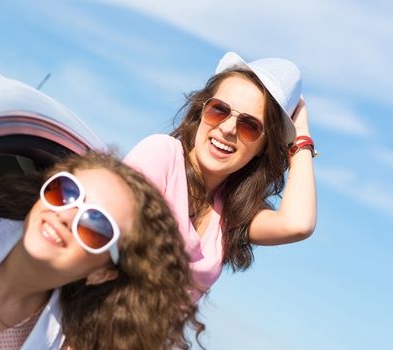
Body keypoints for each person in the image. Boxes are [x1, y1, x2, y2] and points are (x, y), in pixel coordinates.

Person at [0, 152, 204, 349]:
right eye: (65, 192)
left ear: (102, 273)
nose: (66, 215)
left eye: (96, 225)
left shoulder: (64, 342)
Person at [124, 51, 317, 298]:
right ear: (200, 111)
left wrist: (300, 136)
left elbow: (297, 224)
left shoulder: (229, 214)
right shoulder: (161, 154)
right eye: (219, 110)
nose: (227, 129)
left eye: (250, 126)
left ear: (263, 147)